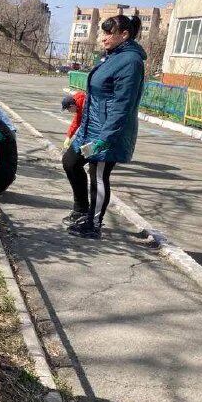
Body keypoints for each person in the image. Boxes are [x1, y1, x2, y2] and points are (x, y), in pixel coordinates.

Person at [62, 15, 146, 239]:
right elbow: (99, 92)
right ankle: (81, 210)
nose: (103, 38)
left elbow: (122, 105)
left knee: (98, 175)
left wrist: (106, 138)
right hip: (91, 128)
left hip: (106, 134)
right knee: (70, 161)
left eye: (108, 33)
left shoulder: (131, 62)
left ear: (124, 35)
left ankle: (93, 224)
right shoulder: (113, 57)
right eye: (103, 33)